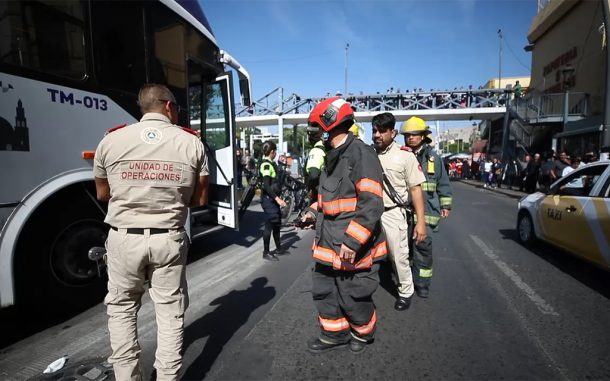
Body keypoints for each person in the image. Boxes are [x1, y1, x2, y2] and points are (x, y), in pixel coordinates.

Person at [94, 83, 209, 380]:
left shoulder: (111, 139)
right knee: (170, 312)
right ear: (169, 107)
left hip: (123, 237)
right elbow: (200, 199)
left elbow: (103, 194)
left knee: (121, 310)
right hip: (168, 238)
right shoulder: (192, 143)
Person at [305, 97, 387, 354]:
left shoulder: (361, 154)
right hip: (328, 243)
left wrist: (353, 241)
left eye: (317, 129)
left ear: (328, 126)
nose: (317, 135)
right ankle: (334, 334)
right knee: (324, 291)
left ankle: (363, 334)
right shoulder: (332, 156)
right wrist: (311, 211)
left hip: (351, 245)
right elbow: (330, 198)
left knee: (354, 294)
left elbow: (371, 202)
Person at [372, 112, 426, 311]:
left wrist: (421, 222)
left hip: (394, 213)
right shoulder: (369, 154)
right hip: (371, 213)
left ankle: (405, 291)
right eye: (374, 131)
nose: (377, 135)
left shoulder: (405, 156)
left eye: (382, 131)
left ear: (393, 133)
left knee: (398, 255)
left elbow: (416, 189)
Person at [400, 116, 452, 298]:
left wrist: (446, 204)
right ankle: (405, 281)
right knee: (403, 247)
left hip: (428, 210)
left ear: (423, 136)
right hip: (404, 211)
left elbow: (443, 183)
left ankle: (422, 284)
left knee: (422, 248)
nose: (410, 138)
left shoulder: (433, 158)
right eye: (407, 135)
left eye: (414, 134)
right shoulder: (402, 155)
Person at [259, 141, 287, 261]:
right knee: (269, 225)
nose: (275, 153)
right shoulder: (266, 165)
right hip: (268, 200)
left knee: (277, 224)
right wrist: (278, 199)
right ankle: (266, 252)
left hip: (273, 199)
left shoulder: (272, 164)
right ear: (272, 152)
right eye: (275, 151)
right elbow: (266, 185)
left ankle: (279, 248)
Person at [304, 123, 326, 202]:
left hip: (318, 197)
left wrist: (311, 189)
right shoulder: (327, 150)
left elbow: (313, 175)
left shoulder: (316, 151)